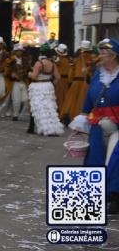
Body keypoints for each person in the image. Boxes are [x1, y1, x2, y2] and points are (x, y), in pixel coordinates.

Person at [69, 38, 119, 214]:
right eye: (101, 52)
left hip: (117, 124)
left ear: (114, 56)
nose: (100, 56)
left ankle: (115, 196)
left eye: (104, 53)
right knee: (95, 157)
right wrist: (82, 117)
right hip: (97, 122)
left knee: (114, 158)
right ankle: (96, 194)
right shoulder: (98, 74)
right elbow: (90, 97)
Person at [27, 45, 64, 136]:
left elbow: (34, 76)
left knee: (36, 106)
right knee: (49, 108)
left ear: (41, 53)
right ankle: (52, 128)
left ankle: (33, 127)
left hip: (38, 86)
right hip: (48, 86)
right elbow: (58, 77)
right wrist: (52, 83)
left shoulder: (39, 63)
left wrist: (29, 74)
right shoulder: (53, 64)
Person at [61, 40, 95, 122]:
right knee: (82, 101)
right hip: (85, 83)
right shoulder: (92, 59)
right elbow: (92, 73)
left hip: (76, 83)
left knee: (71, 101)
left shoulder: (77, 60)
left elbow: (71, 72)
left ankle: (68, 117)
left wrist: (70, 81)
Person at [6, 43, 31, 121]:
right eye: (18, 51)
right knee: (16, 100)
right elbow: (6, 71)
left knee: (26, 100)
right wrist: (11, 75)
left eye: (21, 51)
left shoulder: (25, 60)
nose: (19, 52)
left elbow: (29, 70)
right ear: (15, 51)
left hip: (23, 82)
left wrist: (26, 73)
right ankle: (15, 115)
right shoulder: (10, 60)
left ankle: (22, 115)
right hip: (15, 82)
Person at [54, 43, 71, 118]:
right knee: (64, 97)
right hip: (66, 81)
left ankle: (59, 113)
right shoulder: (67, 60)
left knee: (58, 97)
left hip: (59, 80)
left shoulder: (58, 61)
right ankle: (62, 113)